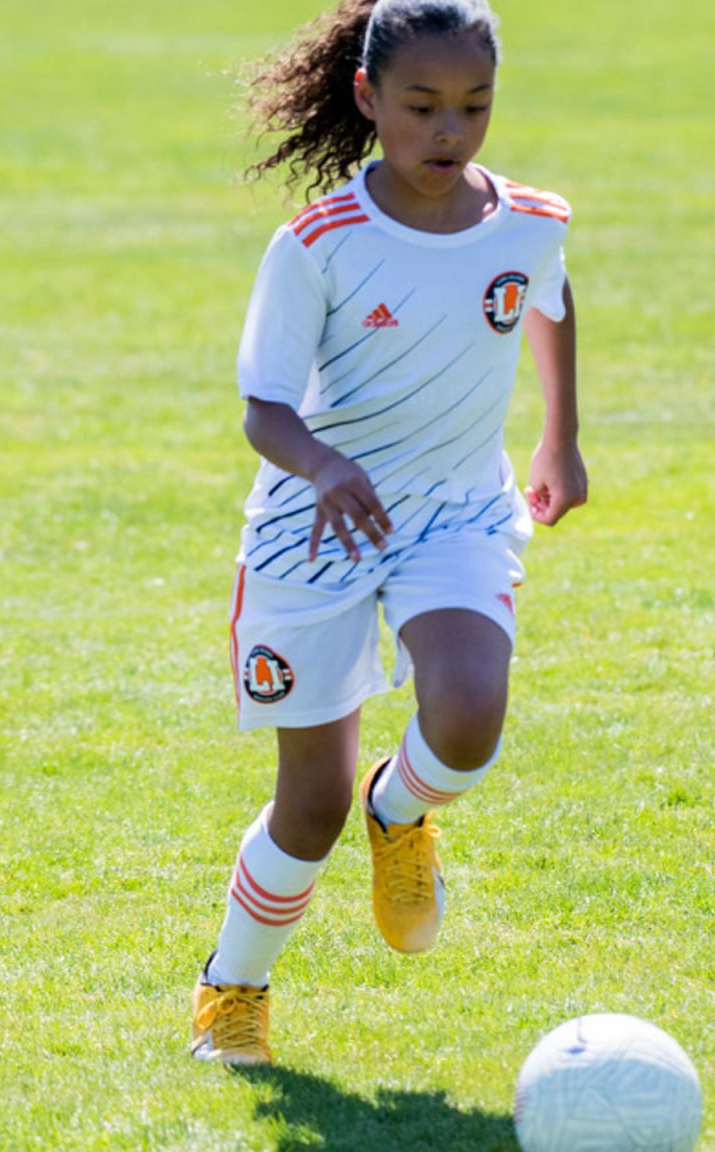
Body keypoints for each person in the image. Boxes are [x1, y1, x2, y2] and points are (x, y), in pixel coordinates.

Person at [190, 0, 585, 1067]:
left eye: (473, 106)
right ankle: (232, 990)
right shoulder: (316, 244)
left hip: (453, 508)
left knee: (465, 719)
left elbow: (543, 297)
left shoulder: (531, 220)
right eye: (420, 107)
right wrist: (325, 465)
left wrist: (560, 438)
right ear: (367, 99)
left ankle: (400, 811)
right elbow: (262, 408)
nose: (447, 132)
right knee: (305, 809)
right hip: (312, 527)